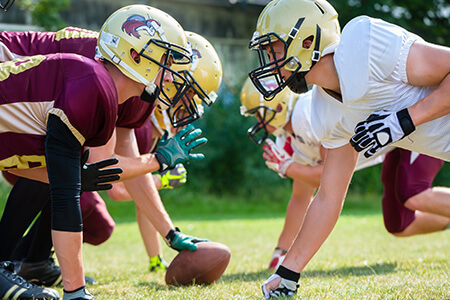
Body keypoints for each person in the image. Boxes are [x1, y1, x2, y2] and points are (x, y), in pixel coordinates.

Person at [247, 0, 450, 297]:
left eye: (273, 47)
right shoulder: (322, 112)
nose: (268, 58)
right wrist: (288, 271)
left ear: (307, 40)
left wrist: (406, 119)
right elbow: (328, 197)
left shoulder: (363, 42)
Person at [0, 4, 203, 299]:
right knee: (74, 182)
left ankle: (29, 261)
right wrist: (158, 161)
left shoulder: (121, 87)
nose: (172, 78)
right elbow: (101, 168)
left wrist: (170, 232)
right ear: (135, 54)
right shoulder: (93, 77)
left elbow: (85, 175)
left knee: (70, 175)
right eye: (166, 61)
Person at [240, 77, 450, 273]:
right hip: (393, 144)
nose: (257, 122)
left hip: (409, 124)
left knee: (412, 193)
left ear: (277, 105)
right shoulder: (290, 137)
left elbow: (329, 178)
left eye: (257, 114)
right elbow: (300, 197)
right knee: (399, 224)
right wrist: (281, 252)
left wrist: (288, 167)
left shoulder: (307, 116)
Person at [107, 31, 223, 273]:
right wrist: (163, 179)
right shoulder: (138, 108)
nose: (191, 104)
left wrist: (167, 239)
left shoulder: (154, 115)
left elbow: (141, 193)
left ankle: (155, 259)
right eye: (190, 93)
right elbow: (117, 187)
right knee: (98, 223)